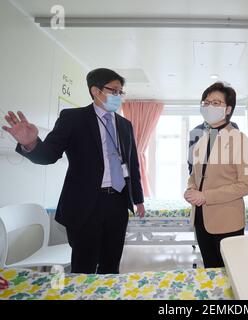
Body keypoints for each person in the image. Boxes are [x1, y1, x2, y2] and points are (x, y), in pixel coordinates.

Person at [2, 68, 145, 274]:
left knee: (111, 265)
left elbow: (132, 164)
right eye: (114, 91)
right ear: (95, 91)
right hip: (85, 205)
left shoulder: (125, 125)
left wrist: (137, 199)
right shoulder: (73, 118)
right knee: (83, 267)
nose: (118, 96)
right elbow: (50, 155)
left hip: (118, 202)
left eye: (120, 92)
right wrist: (31, 143)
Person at [184, 82, 248, 268]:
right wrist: (190, 189)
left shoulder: (239, 139)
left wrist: (205, 196)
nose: (209, 106)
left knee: (230, 273)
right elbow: (195, 175)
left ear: (228, 109)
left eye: (216, 103)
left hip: (226, 220)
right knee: (210, 270)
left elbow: (246, 185)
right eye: (206, 102)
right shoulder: (201, 139)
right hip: (200, 218)